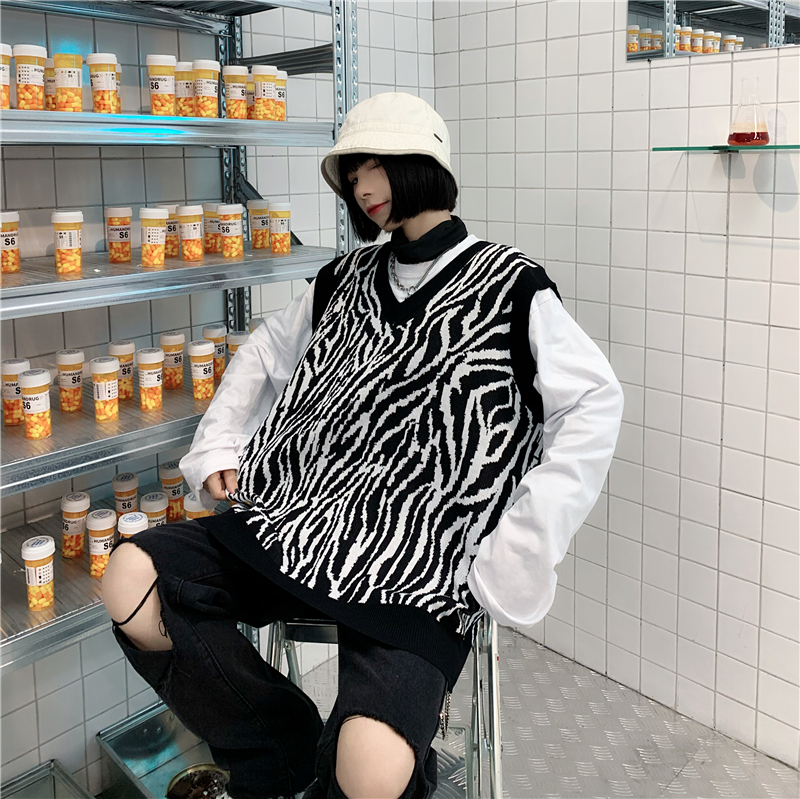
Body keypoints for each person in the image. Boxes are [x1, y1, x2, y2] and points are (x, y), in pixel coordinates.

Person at [102, 92, 623, 799]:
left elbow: (593, 402)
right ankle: (278, 744)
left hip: (425, 561)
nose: (362, 187)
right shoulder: (342, 280)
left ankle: (341, 764)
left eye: (374, 166)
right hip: (298, 521)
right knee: (132, 578)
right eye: (352, 174)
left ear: (419, 165)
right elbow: (264, 352)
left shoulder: (511, 285)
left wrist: (523, 544)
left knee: (371, 773)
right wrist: (219, 442)